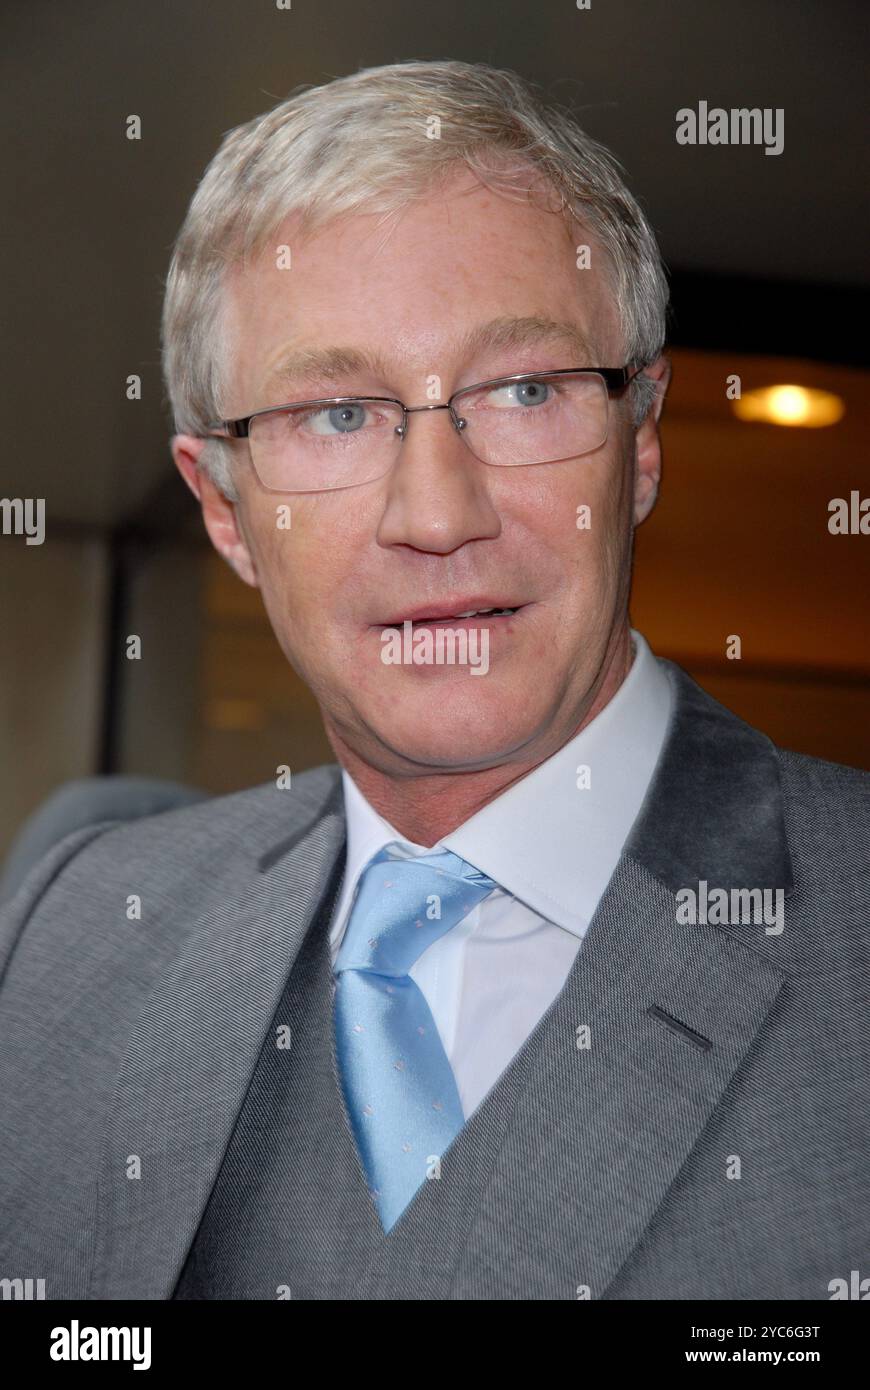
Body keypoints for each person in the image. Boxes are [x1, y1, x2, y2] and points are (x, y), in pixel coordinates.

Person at [1, 59, 866, 1302]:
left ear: (642, 447)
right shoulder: (71, 939)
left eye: (522, 391)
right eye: (337, 414)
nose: (436, 512)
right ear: (227, 512)